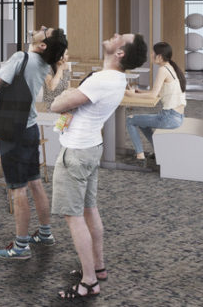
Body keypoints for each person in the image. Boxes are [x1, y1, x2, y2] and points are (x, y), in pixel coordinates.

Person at [48, 31, 148, 300]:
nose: (114, 34)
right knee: (89, 208)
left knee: (74, 217)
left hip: (77, 152)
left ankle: (89, 281)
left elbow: (55, 103)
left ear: (120, 53)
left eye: (120, 37)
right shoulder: (115, 79)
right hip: (91, 147)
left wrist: (63, 78)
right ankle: (98, 266)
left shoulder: (103, 80)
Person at [0, 27, 68, 259]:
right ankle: (45, 233)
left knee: (19, 189)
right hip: (30, 128)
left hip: (14, 130)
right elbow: (51, 86)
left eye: (45, 31)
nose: (40, 28)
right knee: (34, 182)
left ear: (43, 45)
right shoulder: (44, 63)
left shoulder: (21, 57)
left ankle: (21, 246)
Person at [126, 41, 186, 167]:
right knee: (142, 123)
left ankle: (140, 156)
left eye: (153, 53)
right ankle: (158, 149)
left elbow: (153, 95)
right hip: (177, 116)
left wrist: (132, 94)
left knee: (130, 120)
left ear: (159, 56)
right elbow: (158, 93)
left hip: (169, 117)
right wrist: (141, 92)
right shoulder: (171, 67)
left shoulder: (163, 70)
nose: (151, 55)